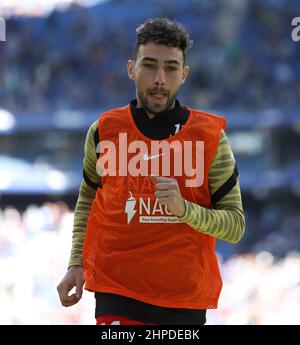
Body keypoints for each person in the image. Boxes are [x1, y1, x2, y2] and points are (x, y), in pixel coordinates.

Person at [57, 17, 245, 325]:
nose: (159, 78)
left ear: (183, 75)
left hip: (184, 301)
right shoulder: (104, 131)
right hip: (117, 292)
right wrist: (75, 262)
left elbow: (235, 226)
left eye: (171, 68)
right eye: (149, 65)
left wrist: (185, 209)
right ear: (132, 68)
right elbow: (88, 200)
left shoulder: (209, 137)